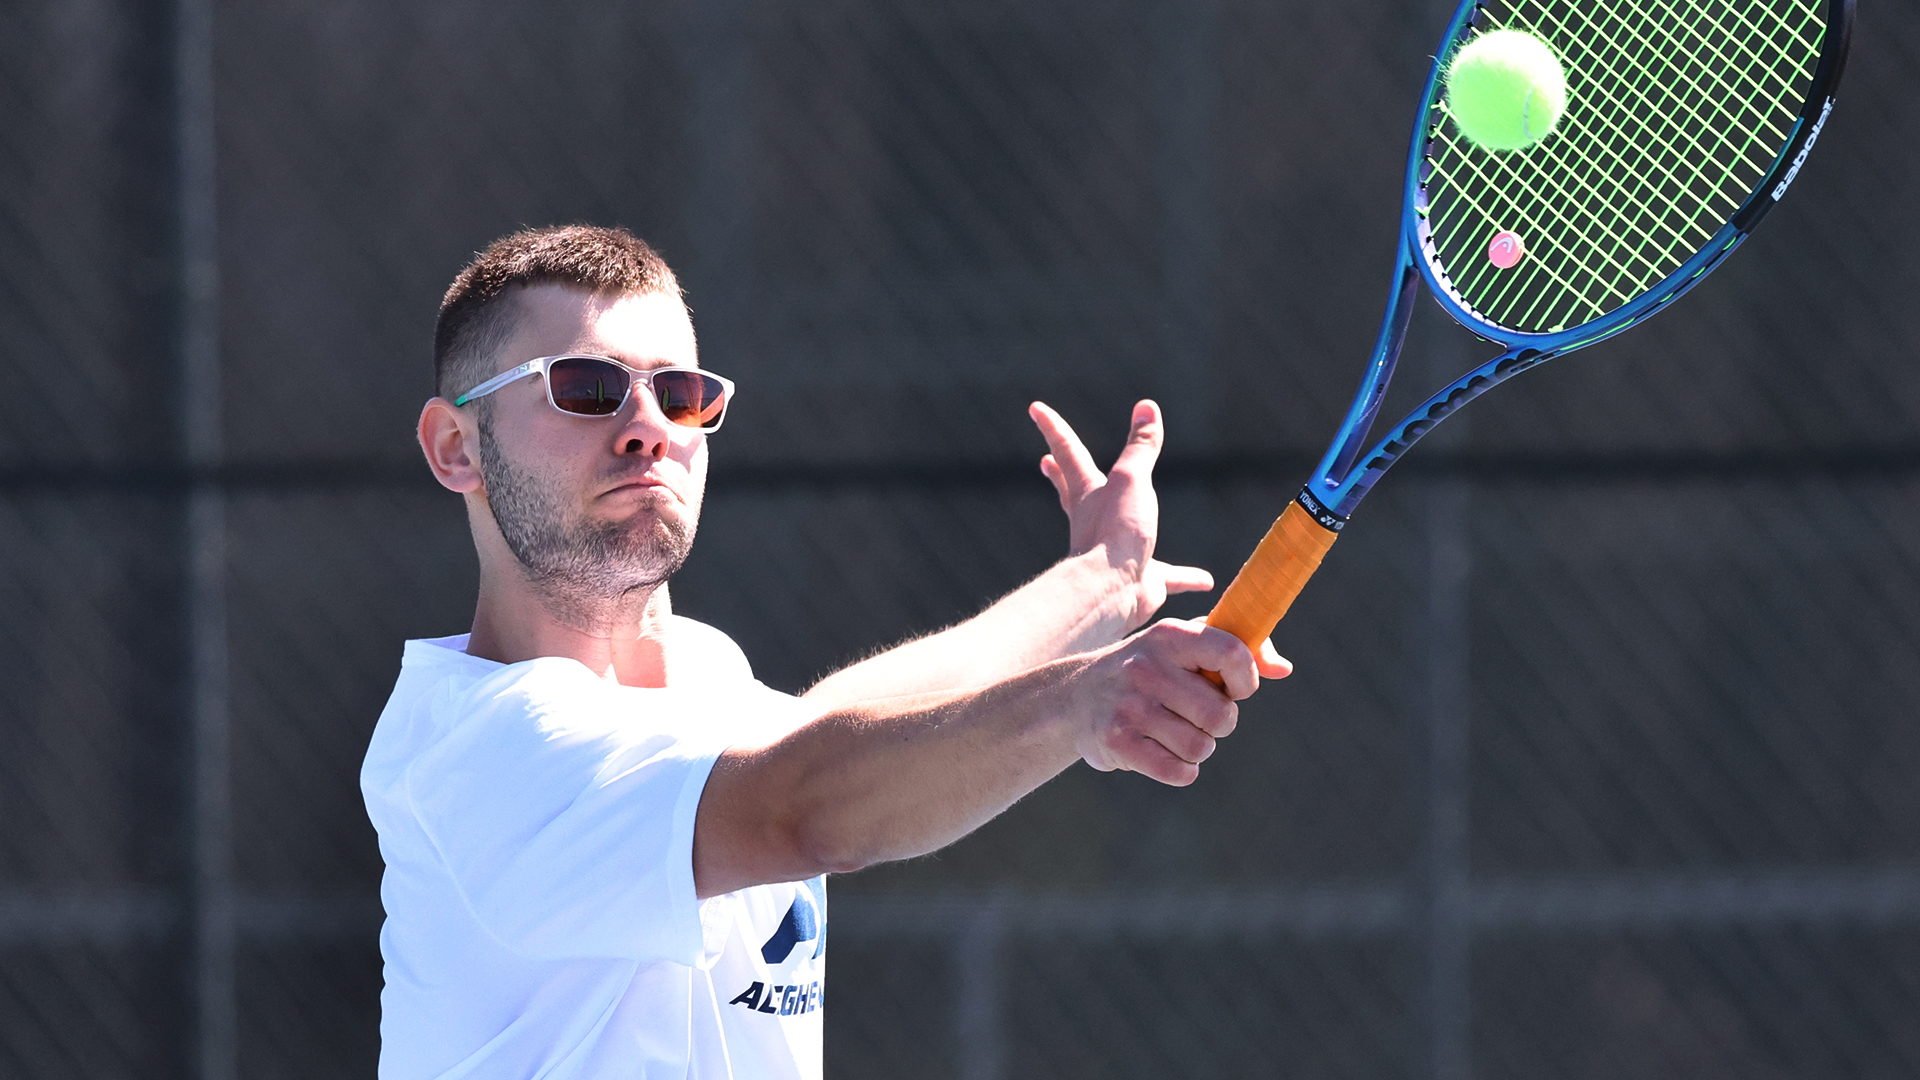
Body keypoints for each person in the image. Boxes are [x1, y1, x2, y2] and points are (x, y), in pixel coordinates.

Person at [361, 225, 1291, 1079]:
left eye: (683, 396)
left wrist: (1099, 586)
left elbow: (846, 724)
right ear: (457, 447)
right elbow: (804, 806)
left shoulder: (703, 680)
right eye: (586, 387)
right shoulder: (475, 752)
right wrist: (1080, 703)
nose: (648, 427)